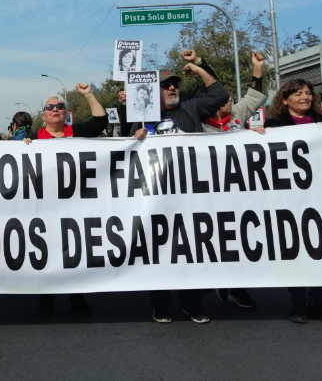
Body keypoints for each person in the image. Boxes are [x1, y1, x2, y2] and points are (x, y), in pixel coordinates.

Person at [130, 63, 229, 324]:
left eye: (175, 84)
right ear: (153, 91)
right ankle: (160, 305)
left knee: (190, 249)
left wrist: (198, 69)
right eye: (165, 85)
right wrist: (135, 137)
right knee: (159, 251)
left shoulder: (190, 107)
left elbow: (220, 96)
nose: (173, 87)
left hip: (191, 196)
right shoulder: (141, 118)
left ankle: (192, 304)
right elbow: (128, 159)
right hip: (155, 198)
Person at [26, 84, 108, 317]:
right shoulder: (32, 140)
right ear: (43, 115)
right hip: (45, 207)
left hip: (75, 206)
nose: (55, 110)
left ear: (66, 113)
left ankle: (77, 296)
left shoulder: (77, 133)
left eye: (60, 107)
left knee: (75, 251)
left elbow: (100, 122)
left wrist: (88, 95)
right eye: (50, 107)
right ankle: (47, 297)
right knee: (47, 251)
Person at [263, 79, 322, 325]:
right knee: (296, 250)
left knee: (321, 249)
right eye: (298, 93)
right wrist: (256, 136)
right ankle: (298, 302)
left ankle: (318, 303)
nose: (305, 97)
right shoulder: (273, 126)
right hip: (290, 199)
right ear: (285, 99)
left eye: (308, 93)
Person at [203, 53, 267, 309]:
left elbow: (253, 97)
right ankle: (217, 278)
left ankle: (237, 287)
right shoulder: (198, 125)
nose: (230, 101)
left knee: (241, 238)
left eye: (230, 98)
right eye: (225, 99)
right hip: (211, 193)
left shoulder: (238, 115)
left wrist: (258, 69)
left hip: (241, 191)